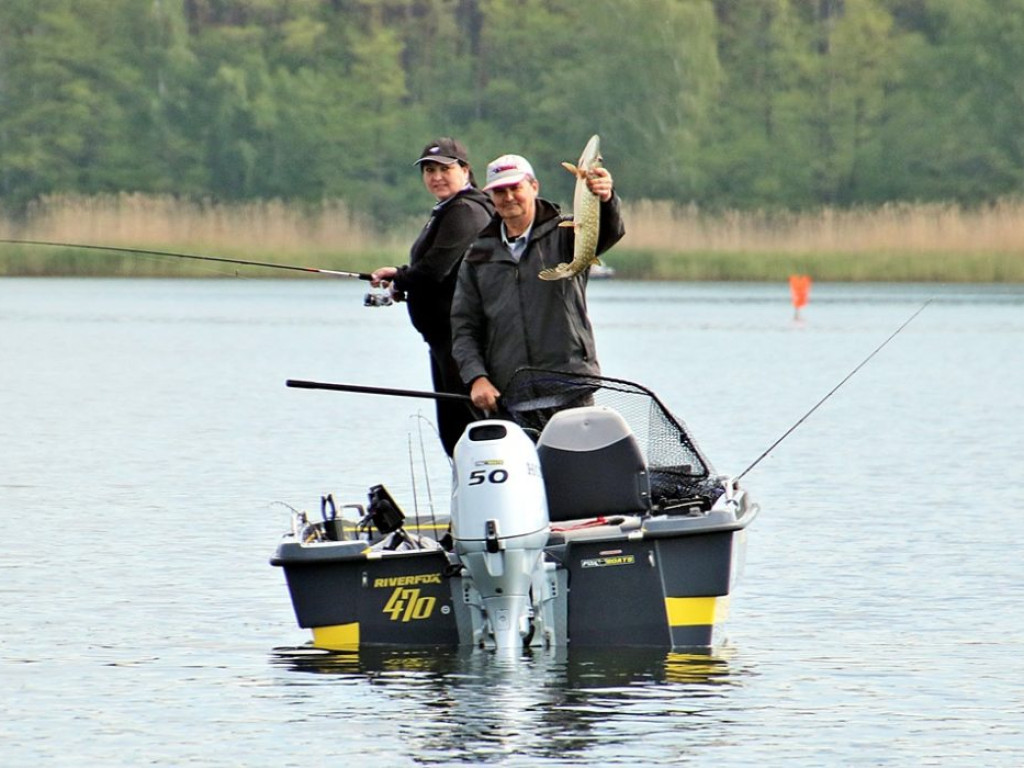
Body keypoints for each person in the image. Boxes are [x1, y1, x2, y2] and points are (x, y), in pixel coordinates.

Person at [450, 151, 624, 417]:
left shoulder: (567, 232)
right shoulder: (477, 254)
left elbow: (609, 231)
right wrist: (477, 377)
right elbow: (464, 327)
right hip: (509, 390)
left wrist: (606, 199)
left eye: (515, 188)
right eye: (499, 191)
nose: (508, 197)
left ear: (533, 186)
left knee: (573, 457)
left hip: (570, 383)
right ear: (490, 196)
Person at [371, 138, 494, 456]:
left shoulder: (465, 210)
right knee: (453, 430)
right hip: (442, 339)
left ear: (465, 170)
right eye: (429, 170)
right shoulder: (449, 209)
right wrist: (401, 279)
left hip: (459, 339)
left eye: (444, 169)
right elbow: (433, 269)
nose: (436, 176)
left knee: (465, 427)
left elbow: (434, 270)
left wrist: (401, 278)